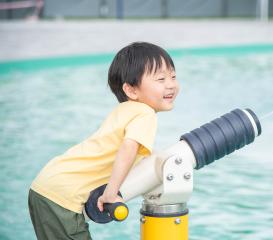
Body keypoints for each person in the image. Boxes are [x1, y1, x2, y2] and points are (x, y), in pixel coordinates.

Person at [28, 42, 180, 239]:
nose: (171, 84)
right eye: (161, 78)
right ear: (132, 90)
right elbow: (128, 148)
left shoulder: (123, 111)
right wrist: (111, 191)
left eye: (173, 76)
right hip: (62, 198)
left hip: (48, 186)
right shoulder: (145, 114)